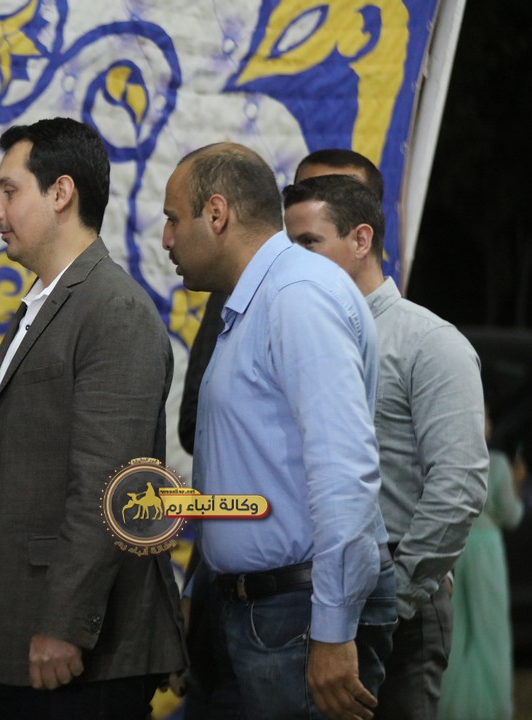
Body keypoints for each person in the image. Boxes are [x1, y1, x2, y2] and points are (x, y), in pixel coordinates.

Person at [0, 117, 185, 720]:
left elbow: (109, 485)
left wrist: (64, 623)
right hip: (21, 635)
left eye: (9, 191)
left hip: (82, 654)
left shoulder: (114, 310)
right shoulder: (49, 302)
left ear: (60, 193)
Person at [161, 142, 396, 720]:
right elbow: (249, 469)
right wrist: (199, 588)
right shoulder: (260, 299)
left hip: (300, 613)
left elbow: (344, 470)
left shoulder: (296, 296)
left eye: (173, 219)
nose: (166, 239)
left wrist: (333, 630)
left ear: (217, 214)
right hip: (269, 608)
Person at [283, 173, 489, 719]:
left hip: (396, 587)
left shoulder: (429, 342)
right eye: (289, 245)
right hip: (311, 588)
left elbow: (460, 485)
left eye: (309, 242)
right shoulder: (295, 336)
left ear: (361, 240)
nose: (294, 260)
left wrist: (392, 597)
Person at [437, 406, 525, 720]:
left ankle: (451, 706)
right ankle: (490, 706)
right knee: (490, 629)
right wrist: (517, 483)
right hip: (487, 550)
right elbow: (511, 516)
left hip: (455, 549)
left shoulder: (448, 460)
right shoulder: (497, 463)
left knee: (456, 630)